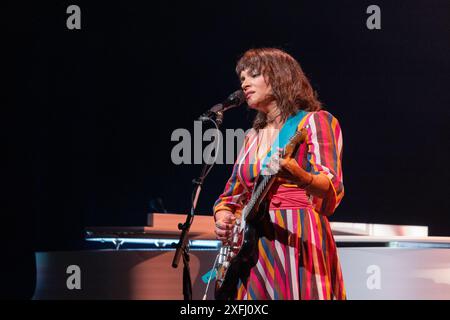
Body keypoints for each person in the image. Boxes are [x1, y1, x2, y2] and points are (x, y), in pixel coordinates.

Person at [213, 48, 346, 300]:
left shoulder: (314, 122)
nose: (244, 83)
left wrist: (301, 177)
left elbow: (332, 186)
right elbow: (229, 197)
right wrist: (223, 219)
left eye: (253, 75)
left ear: (280, 77)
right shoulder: (251, 138)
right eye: (241, 78)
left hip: (298, 235)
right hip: (252, 245)